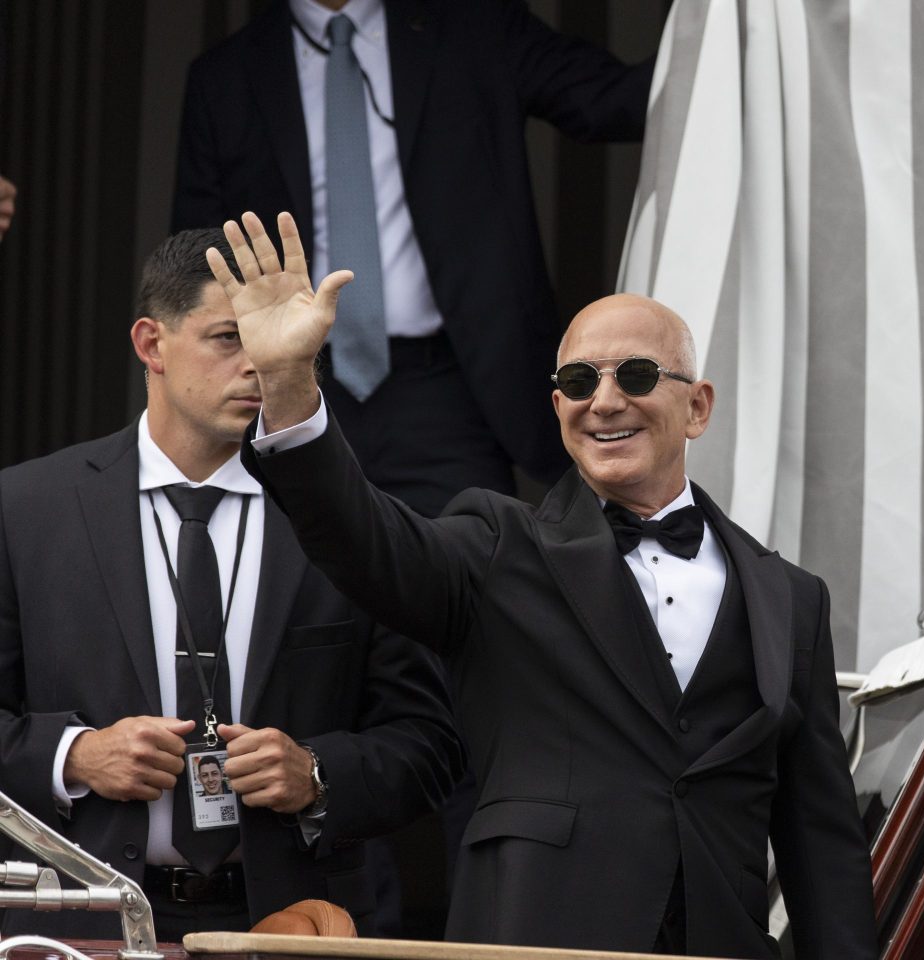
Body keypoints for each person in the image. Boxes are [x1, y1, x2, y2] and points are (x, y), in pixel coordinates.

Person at [216, 212, 879, 959]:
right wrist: (289, 382)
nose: (604, 401)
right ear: (557, 405)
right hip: (534, 935)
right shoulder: (499, 546)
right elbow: (367, 542)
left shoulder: (791, 598)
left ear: (698, 407)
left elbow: (822, 847)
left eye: (634, 375)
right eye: (576, 380)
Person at [0, 227, 464, 942]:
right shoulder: (25, 510)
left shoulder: (354, 521)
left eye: (278, 342)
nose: (259, 364)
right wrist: (76, 757)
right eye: (228, 338)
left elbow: (432, 742)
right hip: (82, 920)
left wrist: (316, 773)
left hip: (298, 922)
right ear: (151, 344)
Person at [171, 0, 653, 516]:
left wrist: (736, 26)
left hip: (444, 393)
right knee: (294, 588)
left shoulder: (474, 28)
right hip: (288, 389)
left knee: (464, 578)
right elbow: (198, 265)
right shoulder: (227, 74)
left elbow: (615, 101)